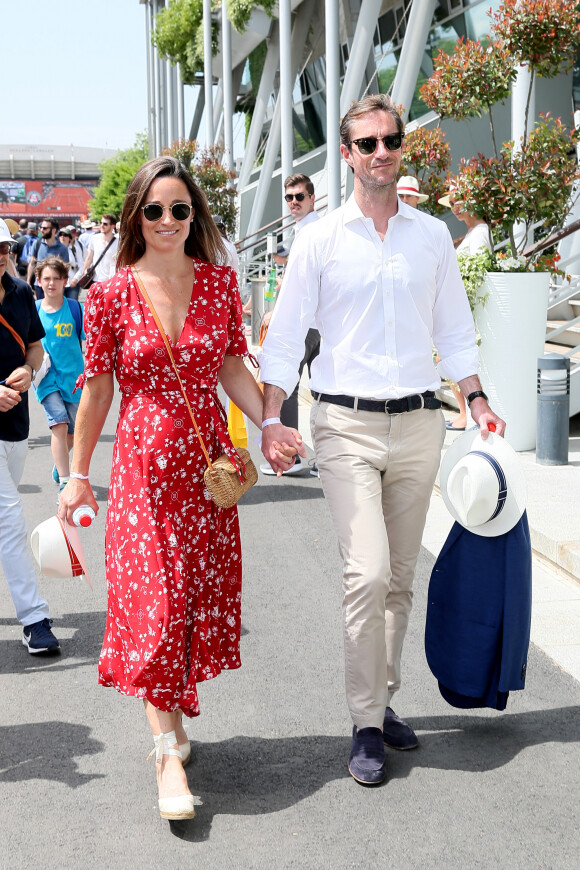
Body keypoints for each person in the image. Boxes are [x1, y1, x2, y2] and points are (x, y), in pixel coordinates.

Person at [259, 94, 505, 786]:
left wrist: (477, 396)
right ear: (346, 155)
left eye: (389, 140)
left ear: (402, 146)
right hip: (343, 424)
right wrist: (272, 415)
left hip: (421, 420)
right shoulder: (319, 239)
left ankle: (383, 697)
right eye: (365, 143)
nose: (379, 152)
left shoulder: (430, 236)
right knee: (366, 573)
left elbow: (454, 327)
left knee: (399, 579)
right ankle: (367, 721)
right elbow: (284, 337)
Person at [58, 156, 301, 821]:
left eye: (180, 210)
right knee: (157, 608)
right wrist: (78, 477)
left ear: (195, 217)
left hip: (203, 473)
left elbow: (229, 367)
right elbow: (98, 392)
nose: (168, 221)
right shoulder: (107, 297)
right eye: (155, 210)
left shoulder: (221, 284)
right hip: (140, 475)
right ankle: (165, 753)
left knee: (188, 604)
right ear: (136, 217)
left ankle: (171, 725)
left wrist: (271, 424)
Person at [0, 219, 60, 655]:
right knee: (10, 519)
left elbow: (35, 346)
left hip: (16, 427)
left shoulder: (21, 293)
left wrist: (29, 368)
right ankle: (34, 617)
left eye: (5, 246)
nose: (2, 253)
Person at [260, 173, 321, 477]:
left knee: (288, 386)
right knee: (323, 392)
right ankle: (323, 461)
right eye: (289, 197)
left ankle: (292, 456)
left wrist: (277, 312)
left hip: (306, 324)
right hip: (317, 324)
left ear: (312, 198)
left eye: (300, 196)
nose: (294, 202)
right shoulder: (306, 230)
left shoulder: (312, 231)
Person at [439, 188, 493, 431]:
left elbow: (480, 268)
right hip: (461, 305)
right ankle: (463, 412)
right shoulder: (473, 231)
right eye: (451, 203)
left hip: (468, 305)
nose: (454, 207)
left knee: (449, 357)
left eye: (458, 201)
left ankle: (465, 412)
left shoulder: (480, 231)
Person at [34, 256, 84, 493]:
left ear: (65, 281)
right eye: (46, 279)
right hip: (45, 379)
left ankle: (59, 464)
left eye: (56, 279)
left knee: (72, 434)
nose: (51, 283)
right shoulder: (32, 311)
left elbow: (91, 341)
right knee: (60, 425)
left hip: (74, 379)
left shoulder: (75, 309)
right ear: (38, 281)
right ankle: (65, 481)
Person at [26, 219, 69, 299]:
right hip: (39, 285)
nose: (41, 230)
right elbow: (32, 263)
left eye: (45, 228)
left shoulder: (62, 248)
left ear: (53, 230)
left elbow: (65, 269)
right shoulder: (37, 244)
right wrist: (28, 281)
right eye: (41, 228)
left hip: (55, 285)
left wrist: (62, 286)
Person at [77, 214, 118, 287]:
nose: (102, 225)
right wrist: (83, 274)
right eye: (101, 223)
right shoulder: (94, 238)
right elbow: (89, 258)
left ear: (112, 226)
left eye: (105, 224)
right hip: (96, 280)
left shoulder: (118, 242)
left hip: (112, 281)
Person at [58, 227, 85, 300]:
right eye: (60, 235)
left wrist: (76, 279)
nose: (62, 237)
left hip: (72, 283)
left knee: (72, 305)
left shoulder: (75, 249)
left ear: (69, 238)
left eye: (65, 235)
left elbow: (81, 266)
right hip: (58, 283)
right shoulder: (55, 250)